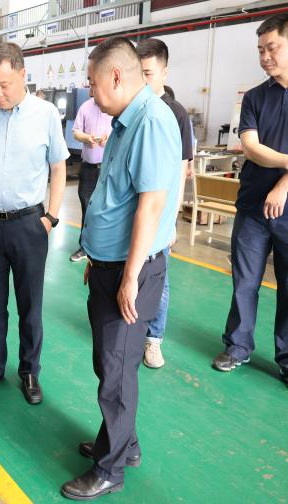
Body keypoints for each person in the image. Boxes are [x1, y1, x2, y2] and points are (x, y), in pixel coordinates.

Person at [59, 37, 181, 500]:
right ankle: (122, 443)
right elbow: (115, 196)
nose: (90, 93)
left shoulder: (151, 121)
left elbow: (150, 206)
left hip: (134, 272)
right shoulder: (126, 121)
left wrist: (128, 276)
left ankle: (109, 469)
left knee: (116, 372)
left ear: (115, 76)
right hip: (109, 266)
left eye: (93, 83)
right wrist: (97, 256)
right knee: (110, 363)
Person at [0, 43, 68, 405]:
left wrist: (50, 217)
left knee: (29, 305)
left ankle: (29, 371)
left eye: (4, 84)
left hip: (29, 225)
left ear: (23, 75)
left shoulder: (46, 114)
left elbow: (58, 167)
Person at [213, 13, 288, 385]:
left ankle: (286, 358)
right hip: (253, 207)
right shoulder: (256, 97)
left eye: (272, 48)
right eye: (260, 50)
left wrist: (284, 184)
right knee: (244, 281)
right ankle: (237, 346)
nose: (265, 57)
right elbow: (251, 147)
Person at [137, 38, 193, 369]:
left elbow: (181, 171)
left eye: (148, 73)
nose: (143, 80)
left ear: (164, 72)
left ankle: (153, 339)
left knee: (160, 278)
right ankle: (132, 329)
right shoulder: (133, 108)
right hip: (135, 210)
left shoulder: (176, 113)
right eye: (138, 72)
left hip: (160, 214)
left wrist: (171, 220)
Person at [69, 97, 112, 262]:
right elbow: (76, 132)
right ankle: (85, 247)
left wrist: (109, 138)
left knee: (108, 208)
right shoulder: (86, 107)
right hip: (89, 168)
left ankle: (105, 248)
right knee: (87, 206)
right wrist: (87, 138)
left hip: (109, 169)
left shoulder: (114, 106)